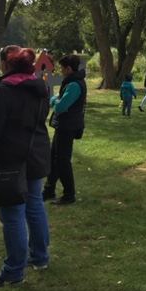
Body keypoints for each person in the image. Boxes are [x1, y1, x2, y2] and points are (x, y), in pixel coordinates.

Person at [0, 46, 51, 287]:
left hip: (11, 160)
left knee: (13, 214)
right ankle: (39, 257)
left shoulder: (3, 92)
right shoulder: (41, 88)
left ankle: (14, 271)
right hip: (36, 155)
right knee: (34, 205)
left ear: (6, 65)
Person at [43, 54, 86, 205]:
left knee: (62, 161)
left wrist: (55, 101)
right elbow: (57, 99)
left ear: (69, 68)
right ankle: (49, 190)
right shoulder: (71, 82)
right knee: (53, 157)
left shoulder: (74, 84)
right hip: (63, 125)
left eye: (61, 67)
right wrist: (56, 99)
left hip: (68, 126)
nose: (60, 70)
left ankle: (69, 195)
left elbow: (60, 107)